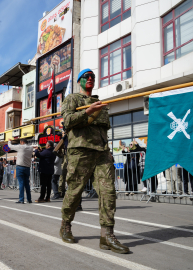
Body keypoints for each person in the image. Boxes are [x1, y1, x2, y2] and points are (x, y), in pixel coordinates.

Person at [59, 69, 129, 254]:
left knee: (108, 192)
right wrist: (87, 112)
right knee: (74, 192)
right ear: (79, 81)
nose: (90, 79)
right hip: (80, 151)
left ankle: (107, 235)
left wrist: (108, 149)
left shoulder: (101, 104)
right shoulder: (73, 99)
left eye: (92, 77)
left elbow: (104, 130)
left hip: (101, 153)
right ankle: (66, 225)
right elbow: (67, 121)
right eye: (86, 77)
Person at [8, 138, 33, 204]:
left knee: (21, 183)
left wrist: (9, 141)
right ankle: (29, 199)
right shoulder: (31, 148)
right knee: (27, 184)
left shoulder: (21, 147)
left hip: (20, 167)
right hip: (27, 167)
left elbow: (10, 146)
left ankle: (21, 199)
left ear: (21, 142)